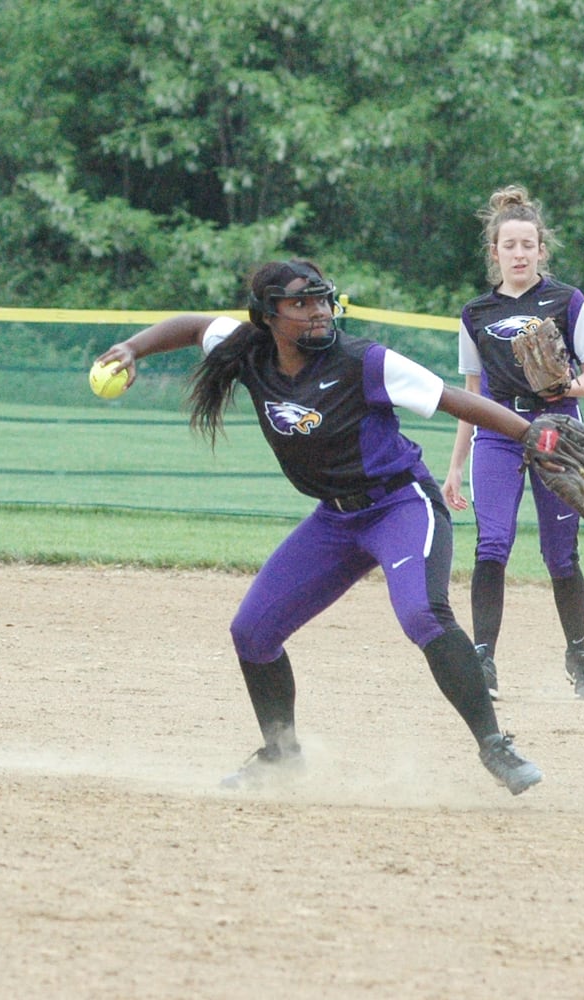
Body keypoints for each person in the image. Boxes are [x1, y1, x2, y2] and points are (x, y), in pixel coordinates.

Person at [95, 259, 544, 795]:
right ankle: (280, 756)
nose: (318, 313)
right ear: (267, 315)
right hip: (336, 519)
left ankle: (495, 746)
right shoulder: (249, 350)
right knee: (252, 634)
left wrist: (531, 434)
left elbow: (452, 399)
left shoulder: (363, 361)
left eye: (322, 300)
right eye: (300, 303)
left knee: (423, 612)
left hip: (401, 504)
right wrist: (131, 349)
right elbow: (194, 326)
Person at [444, 185, 584, 701]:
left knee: (561, 554)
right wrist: (454, 466)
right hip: (498, 433)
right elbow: (472, 395)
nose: (518, 253)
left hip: (557, 430)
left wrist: (566, 388)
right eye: (508, 245)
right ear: (494, 251)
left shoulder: (566, 300)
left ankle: (579, 654)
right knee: (492, 544)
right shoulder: (475, 314)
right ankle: (483, 660)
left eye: (527, 244)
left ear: (542, 249)